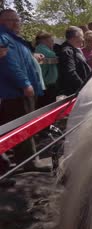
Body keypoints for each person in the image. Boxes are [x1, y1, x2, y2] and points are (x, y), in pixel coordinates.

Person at [0, 9, 50, 172]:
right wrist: (25, 84)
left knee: (25, 124)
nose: (16, 23)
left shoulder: (13, 38)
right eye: (11, 20)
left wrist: (33, 57)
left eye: (17, 20)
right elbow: (10, 64)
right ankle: (29, 162)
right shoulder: (4, 38)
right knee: (24, 126)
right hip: (16, 92)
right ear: (2, 21)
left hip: (21, 90)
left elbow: (20, 58)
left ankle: (25, 159)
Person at [57, 26, 91, 96]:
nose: (83, 39)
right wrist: (82, 87)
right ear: (75, 37)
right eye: (82, 36)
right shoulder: (67, 51)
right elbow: (70, 72)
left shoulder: (74, 49)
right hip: (74, 92)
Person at [35, 31, 59, 107]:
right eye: (51, 41)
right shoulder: (43, 49)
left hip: (46, 83)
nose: (53, 43)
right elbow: (56, 58)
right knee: (47, 107)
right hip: (47, 84)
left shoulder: (40, 49)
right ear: (44, 40)